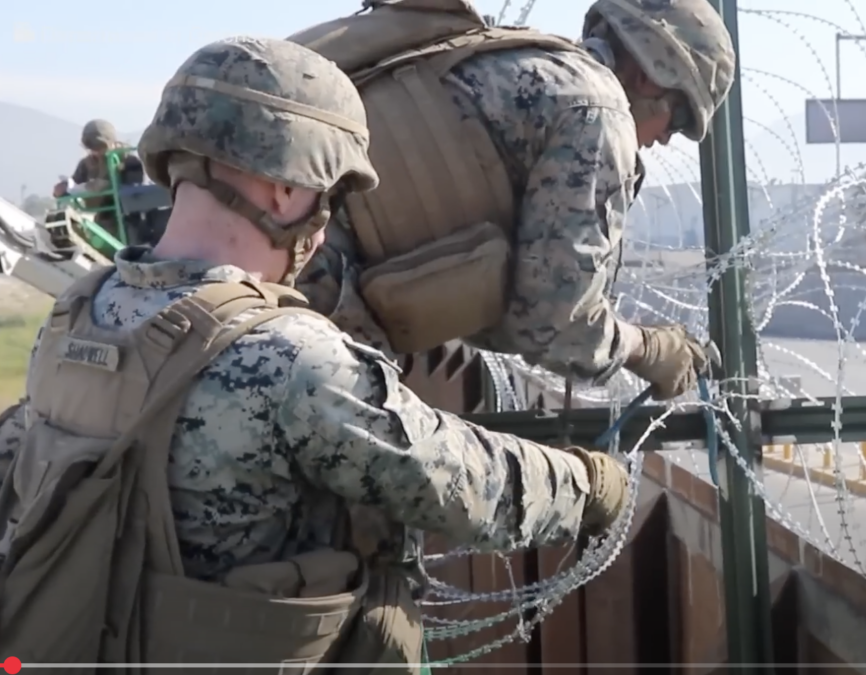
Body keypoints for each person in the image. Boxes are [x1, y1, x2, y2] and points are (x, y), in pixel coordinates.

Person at [0, 35, 629, 668]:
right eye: (327, 196)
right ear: (281, 188)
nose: (325, 225)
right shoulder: (287, 359)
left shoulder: (77, 313)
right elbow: (468, 484)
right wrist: (595, 485)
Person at [288, 0, 736, 402]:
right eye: (677, 118)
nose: (662, 141)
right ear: (647, 74)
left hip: (272, 243)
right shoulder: (598, 113)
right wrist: (649, 349)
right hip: (311, 299)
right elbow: (556, 326)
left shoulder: (519, 60)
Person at [51, 118, 147, 241]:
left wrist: (108, 185)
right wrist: (62, 190)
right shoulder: (86, 165)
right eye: (91, 148)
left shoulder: (128, 160)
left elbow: (135, 190)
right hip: (102, 222)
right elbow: (74, 187)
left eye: (99, 147)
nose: (95, 152)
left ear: (111, 142)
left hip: (129, 221)